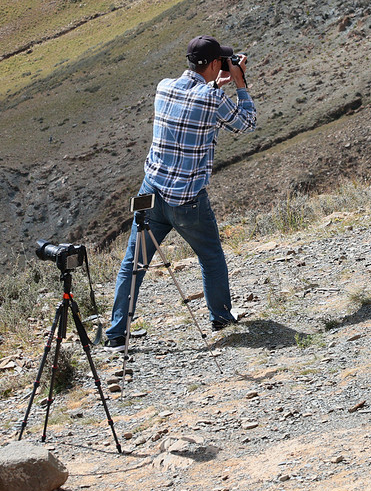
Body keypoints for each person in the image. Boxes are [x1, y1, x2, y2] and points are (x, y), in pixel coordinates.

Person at [104, 36, 257, 350]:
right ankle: (221, 319)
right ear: (215, 64)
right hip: (187, 199)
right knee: (210, 257)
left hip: (151, 193)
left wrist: (216, 84)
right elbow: (246, 123)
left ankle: (116, 335)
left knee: (133, 262)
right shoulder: (212, 98)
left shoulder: (164, 87)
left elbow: (194, 100)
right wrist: (239, 83)